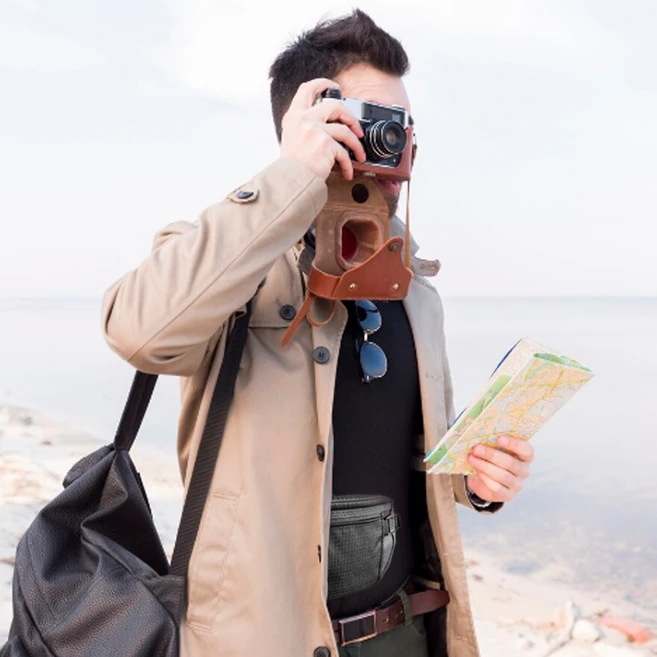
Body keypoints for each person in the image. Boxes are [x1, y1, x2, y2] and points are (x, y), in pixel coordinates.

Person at [102, 10, 534, 657]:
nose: (397, 147)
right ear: (309, 121)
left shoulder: (415, 288)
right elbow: (138, 329)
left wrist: (475, 482)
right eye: (376, 124)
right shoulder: (231, 262)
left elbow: (412, 467)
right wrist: (288, 177)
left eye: (405, 130)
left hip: (405, 633)